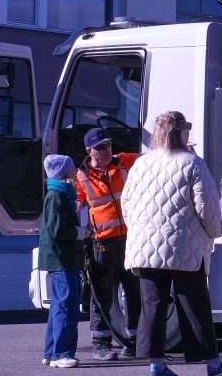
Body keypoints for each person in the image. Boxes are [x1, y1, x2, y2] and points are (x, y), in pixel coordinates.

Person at [122, 111, 222, 376]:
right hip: (185, 246)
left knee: (153, 305)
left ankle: (156, 365)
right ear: (181, 132)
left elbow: (127, 204)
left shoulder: (141, 163)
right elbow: (206, 207)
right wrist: (216, 231)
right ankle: (213, 364)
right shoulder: (193, 163)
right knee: (194, 304)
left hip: (144, 247)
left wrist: (138, 231)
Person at [75, 127, 141, 360]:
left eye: (108, 145)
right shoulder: (81, 177)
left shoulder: (124, 161)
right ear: (89, 150)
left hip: (129, 239)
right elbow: (76, 206)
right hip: (102, 244)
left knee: (133, 290)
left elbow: (151, 158)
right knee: (101, 294)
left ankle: (133, 341)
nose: (106, 150)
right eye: (100, 146)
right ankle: (100, 344)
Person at [40, 154, 86, 369]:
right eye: (71, 166)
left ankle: (51, 353)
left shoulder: (56, 194)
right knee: (67, 307)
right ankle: (62, 354)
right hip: (63, 260)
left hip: (59, 260)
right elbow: (58, 231)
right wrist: (82, 232)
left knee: (58, 307)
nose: (75, 168)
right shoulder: (58, 197)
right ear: (62, 172)